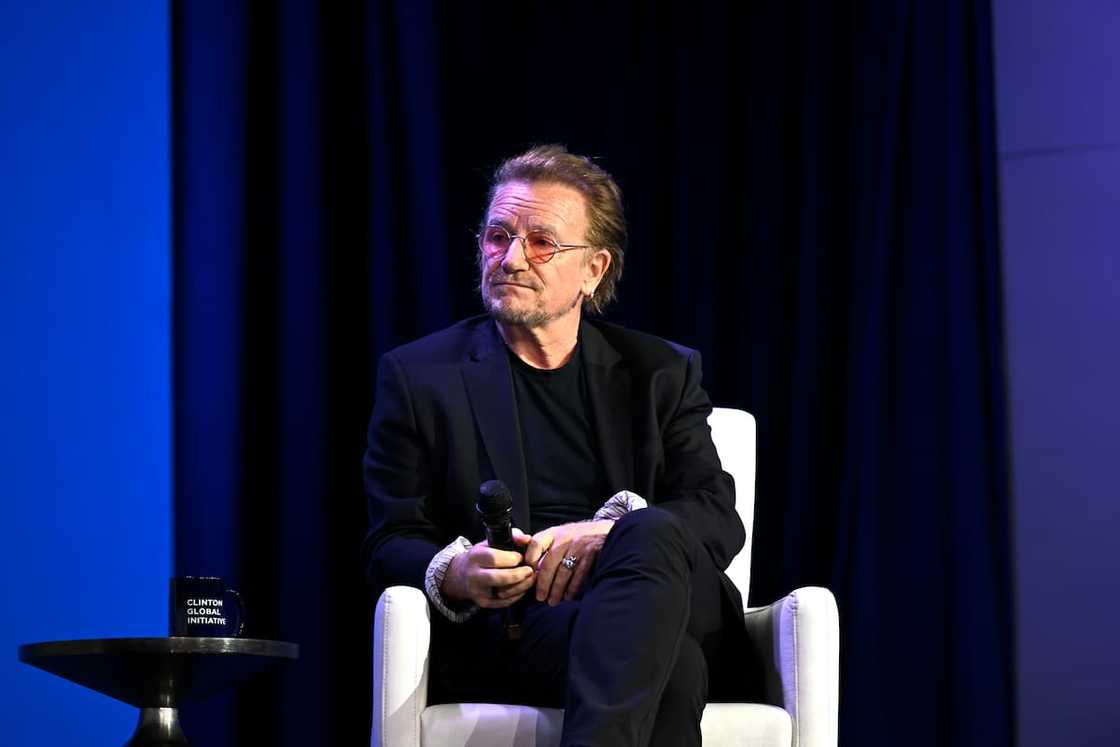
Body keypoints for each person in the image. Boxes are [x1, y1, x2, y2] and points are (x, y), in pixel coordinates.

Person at [363, 145, 752, 747]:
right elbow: (389, 540)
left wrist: (610, 534)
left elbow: (715, 516)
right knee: (673, 671)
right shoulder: (420, 378)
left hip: (672, 596)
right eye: (498, 236)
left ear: (594, 270)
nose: (511, 258)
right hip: (529, 628)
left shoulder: (659, 372)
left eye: (541, 242)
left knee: (647, 529)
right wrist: (457, 571)